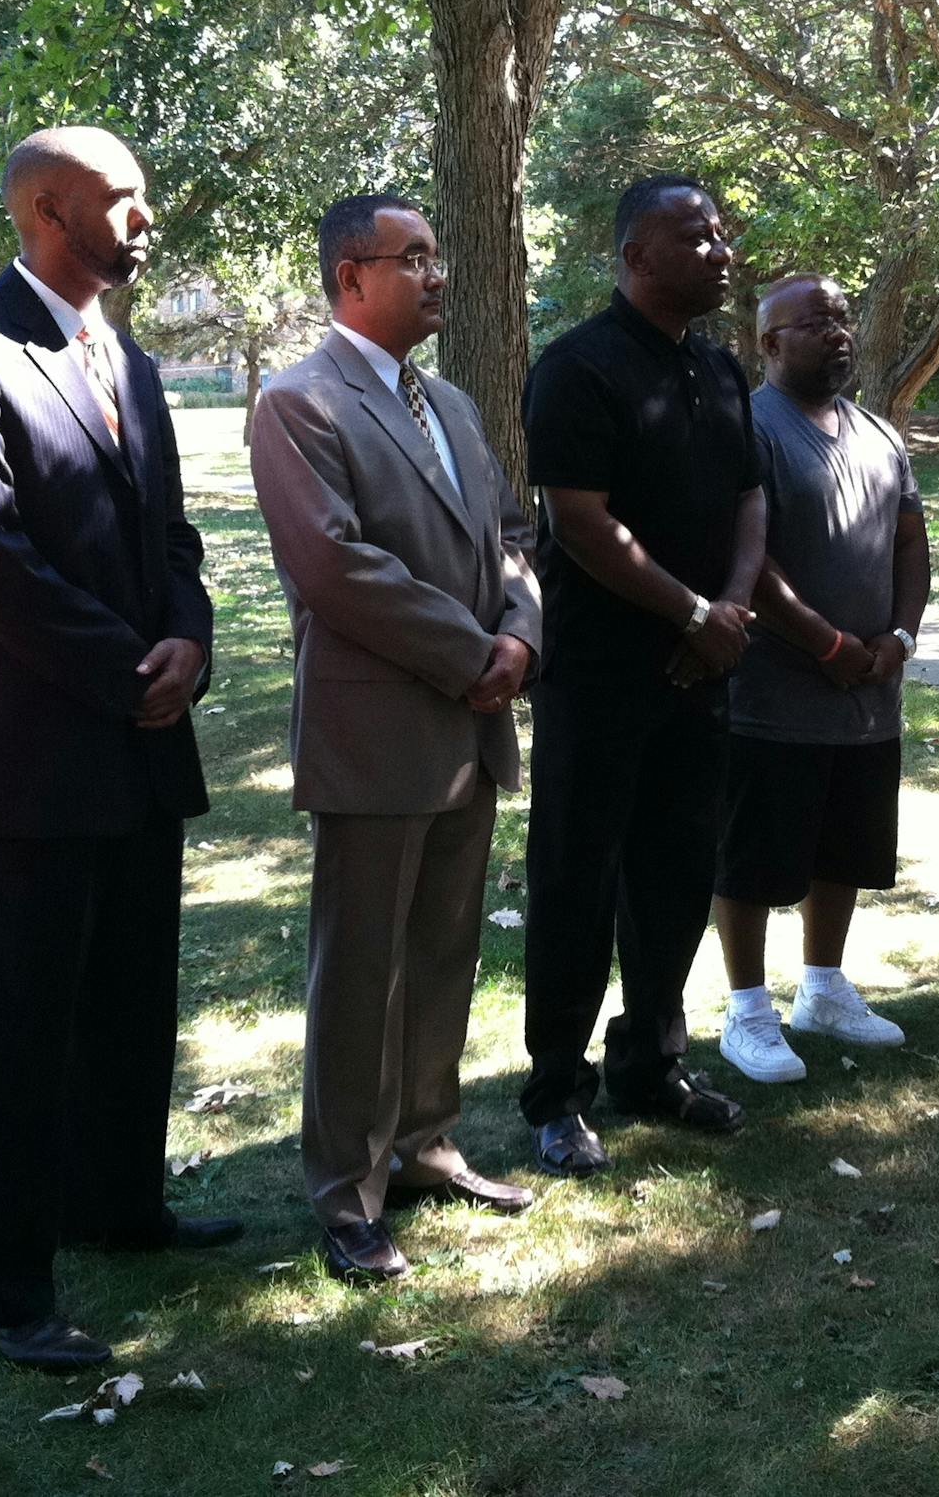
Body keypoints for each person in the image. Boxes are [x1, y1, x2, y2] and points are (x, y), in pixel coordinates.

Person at [0, 127, 238, 1371]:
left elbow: (173, 539)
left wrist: (189, 643)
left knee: (128, 1002)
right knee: (11, 1026)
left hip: (141, 750)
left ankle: (117, 1204)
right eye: (125, 199)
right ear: (50, 208)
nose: (147, 218)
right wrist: (123, 668)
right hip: (27, 759)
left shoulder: (125, 359)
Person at [250, 194, 542, 1282]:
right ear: (348, 278)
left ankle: (426, 1140)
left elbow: (514, 533)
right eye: (410, 257)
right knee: (361, 964)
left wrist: (520, 629)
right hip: (380, 727)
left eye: (438, 254)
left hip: (474, 721)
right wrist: (476, 655)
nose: (435, 275)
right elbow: (333, 566)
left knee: (443, 948)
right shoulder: (301, 404)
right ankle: (346, 1188)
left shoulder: (452, 403)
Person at [517, 174, 768, 1175]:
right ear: (636, 256)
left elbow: (752, 496)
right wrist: (692, 611)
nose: (720, 249)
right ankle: (556, 1092)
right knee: (578, 881)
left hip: (702, 674)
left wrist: (733, 610)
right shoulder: (577, 368)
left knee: (677, 875)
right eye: (694, 235)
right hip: (601, 674)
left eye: (721, 233)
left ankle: (650, 1066)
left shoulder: (722, 369)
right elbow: (580, 521)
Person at [713, 274, 930, 1083]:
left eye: (842, 320)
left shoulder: (879, 433)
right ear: (769, 343)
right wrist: (825, 642)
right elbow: (750, 558)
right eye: (815, 324)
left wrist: (898, 637)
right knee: (753, 858)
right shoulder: (751, 429)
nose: (838, 334)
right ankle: (746, 1008)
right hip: (774, 693)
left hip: (870, 695)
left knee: (847, 849)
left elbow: (910, 539)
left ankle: (824, 989)